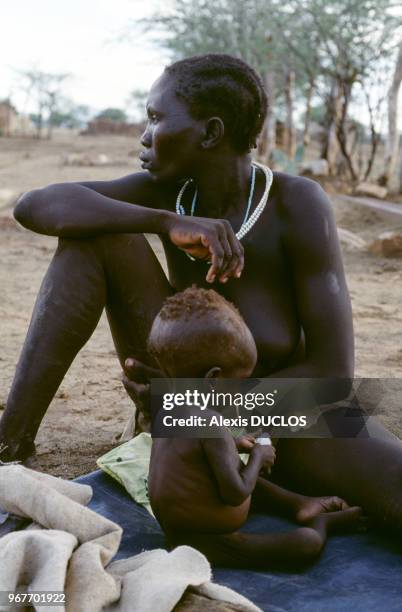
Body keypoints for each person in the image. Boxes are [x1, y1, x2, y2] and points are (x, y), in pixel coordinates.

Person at [1, 53, 402, 533]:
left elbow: (332, 370)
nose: (144, 136)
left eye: (155, 118)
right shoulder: (168, 192)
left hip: (280, 410)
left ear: (210, 133)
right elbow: (35, 206)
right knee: (97, 235)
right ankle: (11, 445)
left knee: (392, 478)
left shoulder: (297, 204)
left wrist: (198, 408)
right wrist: (167, 222)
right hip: (182, 408)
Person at [148, 287, 365, 568]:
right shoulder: (211, 423)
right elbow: (236, 492)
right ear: (213, 379)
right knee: (304, 545)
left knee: (233, 468)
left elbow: (191, 451)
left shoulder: (168, 407)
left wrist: (234, 443)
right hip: (210, 539)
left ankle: (301, 504)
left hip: (179, 526)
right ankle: (321, 523)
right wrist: (259, 456)